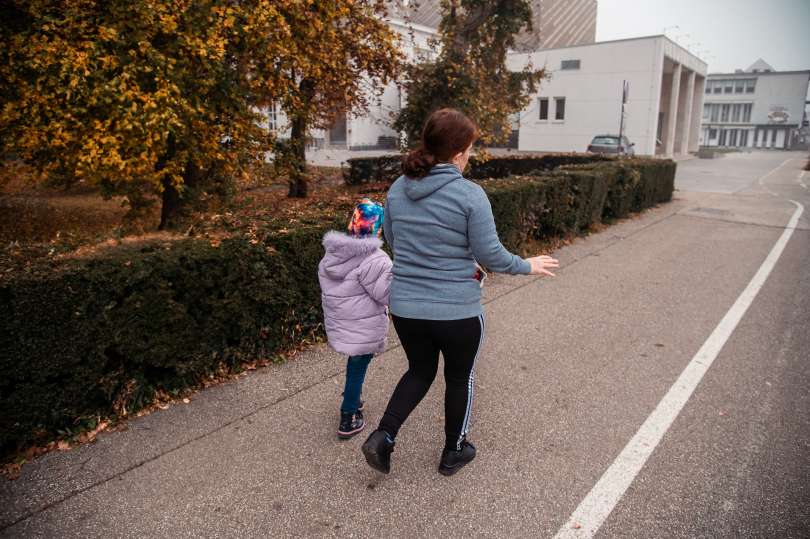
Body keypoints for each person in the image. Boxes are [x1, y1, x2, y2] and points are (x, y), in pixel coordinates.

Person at [361, 109, 559, 476]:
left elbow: (390, 239)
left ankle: (384, 436)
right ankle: (454, 450)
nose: (470, 156)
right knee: (459, 377)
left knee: (419, 371)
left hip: (405, 307)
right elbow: (490, 256)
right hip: (457, 312)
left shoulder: (399, 187)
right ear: (457, 154)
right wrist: (526, 264)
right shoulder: (470, 195)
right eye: (469, 149)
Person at [318, 199, 393, 439]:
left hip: (343, 321)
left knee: (355, 363)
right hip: (363, 324)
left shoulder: (334, 253)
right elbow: (385, 294)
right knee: (358, 367)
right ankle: (348, 416)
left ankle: (354, 397)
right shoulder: (376, 260)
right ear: (378, 227)